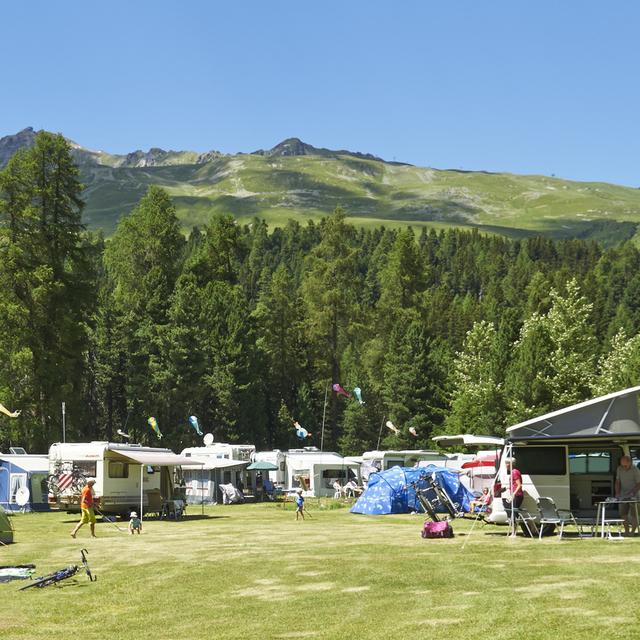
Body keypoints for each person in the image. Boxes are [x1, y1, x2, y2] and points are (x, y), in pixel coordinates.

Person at [615, 455, 640, 536]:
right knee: (623, 514)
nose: (623, 467)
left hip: (635, 495)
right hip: (623, 495)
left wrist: (632, 493)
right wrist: (617, 493)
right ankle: (626, 531)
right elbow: (618, 481)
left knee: (634, 515)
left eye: (625, 465)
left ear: (630, 462)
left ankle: (632, 532)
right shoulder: (619, 469)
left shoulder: (635, 470)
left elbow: (639, 483)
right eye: (622, 465)